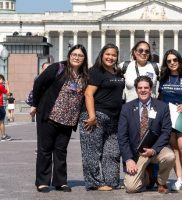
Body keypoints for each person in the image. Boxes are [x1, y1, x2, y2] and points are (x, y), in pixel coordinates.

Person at [30, 44, 89, 193]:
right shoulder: (58, 68)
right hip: (50, 115)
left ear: (84, 58)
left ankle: (60, 181)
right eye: (74, 54)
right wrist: (35, 104)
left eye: (80, 55)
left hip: (68, 119)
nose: (77, 57)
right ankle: (42, 182)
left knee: (61, 150)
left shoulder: (84, 75)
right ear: (69, 55)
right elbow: (38, 83)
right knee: (45, 149)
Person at [117, 75, 175, 194]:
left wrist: (154, 150)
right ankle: (147, 177)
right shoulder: (126, 108)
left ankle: (161, 181)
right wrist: (128, 159)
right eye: (140, 88)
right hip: (137, 153)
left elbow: (166, 131)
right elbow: (122, 137)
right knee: (131, 188)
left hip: (156, 149)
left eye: (146, 87)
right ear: (136, 89)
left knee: (170, 156)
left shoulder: (162, 107)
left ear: (151, 89)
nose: (143, 90)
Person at [79, 43, 125, 191]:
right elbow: (88, 93)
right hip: (96, 115)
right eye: (108, 54)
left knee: (112, 151)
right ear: (102, 54)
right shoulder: (96, 71)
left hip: (113, 118)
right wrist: (92, 116)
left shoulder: (117, 72)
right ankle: (94, 183)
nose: (110, 57)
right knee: (92, 151)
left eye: (114, 55)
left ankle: (112, 181)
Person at [158, 49, 182, 193]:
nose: (172, 63)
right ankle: (179, 178)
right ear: (166, 63)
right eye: (169, 61)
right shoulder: (163, 77)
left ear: (179, 60)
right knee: (174, 150)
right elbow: (160, 97)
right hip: (169, 117)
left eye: (175, 60)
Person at [0, 74, 11, 141]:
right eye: (1, 79)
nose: (2, 80)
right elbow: (8, 93)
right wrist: (7, 85)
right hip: (0, 106)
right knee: (1, 121)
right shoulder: (1, 86)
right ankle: (3, 136)